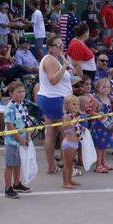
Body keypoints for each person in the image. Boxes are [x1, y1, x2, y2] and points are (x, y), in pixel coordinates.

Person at [38, 36, 72, 174]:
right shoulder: (50, 60)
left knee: (51, 133)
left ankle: (52, 166)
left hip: (50, 98)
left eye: (62, 45)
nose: (60, 47)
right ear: (50, 47)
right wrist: (64, 66)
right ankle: (66, 165)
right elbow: (53, 80)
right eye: (58, 45)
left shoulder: (53, 59)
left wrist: (64, 61)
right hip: (55, 99)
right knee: (65, 133)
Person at [2, 81, 30, 199]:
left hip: (22, 140)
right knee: (10, 165)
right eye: (18, 92)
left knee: (18, 163)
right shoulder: (10, 107)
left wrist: (28, 136)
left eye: (23, 91)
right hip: (12, 142)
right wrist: (20, 140)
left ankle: (17, 183)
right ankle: (8, 188)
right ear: (11, 93)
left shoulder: (23, 105)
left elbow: (26, 122)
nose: (22, 94)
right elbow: (10, 126)